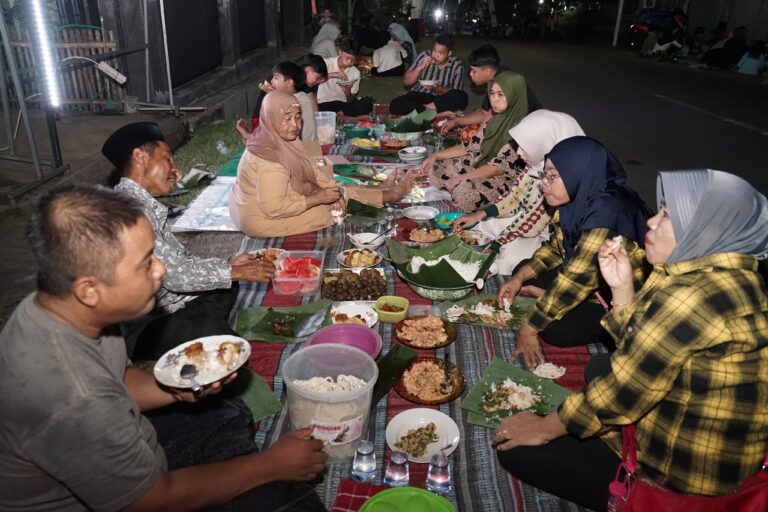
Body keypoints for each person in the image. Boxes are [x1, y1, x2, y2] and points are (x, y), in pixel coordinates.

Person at [0, 183, 328, 511]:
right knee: (295, 501)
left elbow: (116, 377)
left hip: (130, 438)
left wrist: (176, 390)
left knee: (228, 410)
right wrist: (271, 466)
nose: (161, 270)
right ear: (90, 290)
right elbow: (152, 501)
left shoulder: (59, 306)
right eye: (146, 263)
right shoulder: (75, 396)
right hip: (145, 498)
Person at [494, 170, 768, 512]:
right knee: (599, 366)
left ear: (704, 229)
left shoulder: (691, 298)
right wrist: (622, 289)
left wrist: (541, 428)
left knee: (519, 450)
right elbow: (644, 346)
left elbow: (620, 394)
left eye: (667, 216)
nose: (651, 221)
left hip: (682, 473)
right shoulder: (733, 276)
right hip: (718, 444)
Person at [102, 122, 275, 359]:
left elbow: (180, 260)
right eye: (168, 159)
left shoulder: (142, 202)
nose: (175, 169)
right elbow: (172, 275)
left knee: (225, 286)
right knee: (218, 336)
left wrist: (231, 263)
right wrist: (235, 271)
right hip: (150, 325)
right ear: (140, 158)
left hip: (176, 304)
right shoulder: (129, 211)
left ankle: (210, 326)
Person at [497, 136, 653, 367]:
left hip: (621, 296)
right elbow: (556, 250)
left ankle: (573, 304)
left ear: (577, 174)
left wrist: (528, 328)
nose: (544, 184)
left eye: (553, 177)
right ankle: (556, 300)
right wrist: (519, 278)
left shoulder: (606, 218)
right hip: (590, 272)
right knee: (522, 270)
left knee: (556, 331)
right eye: (544, 175)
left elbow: (576, 279)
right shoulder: (577, 198)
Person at [230, 91, 415, 237]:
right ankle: (390, 194)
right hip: (263, 219)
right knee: (329, 209)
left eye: (297, 117)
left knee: (337, 190)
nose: (295, 124)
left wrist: (331, 191)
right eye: (287, 118)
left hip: (265, 203)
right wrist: (321, 198)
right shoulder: (270, 160)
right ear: (271, 117)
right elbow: (274, 208)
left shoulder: (276, 138)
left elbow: (311, 168)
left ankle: (381, 190)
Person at [453, 110, 585, 275]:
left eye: (525, 147)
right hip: (527, 219)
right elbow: (514, 196)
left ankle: (492, 265)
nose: (519, 152)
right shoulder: (537, 163)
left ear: (545, 144)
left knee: (512, 257)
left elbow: (535, 222)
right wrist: (479, 215)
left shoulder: (558, 178)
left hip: (548, 236)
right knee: (486, 224)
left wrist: (496, 245)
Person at [422, 71, 528, 213]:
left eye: (501, 95)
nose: (494, 100)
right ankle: (454, 190)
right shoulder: (494, 116)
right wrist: (436, 156)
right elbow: (471, 146)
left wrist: (460, 178)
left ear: (514, 95)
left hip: (501, 177)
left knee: (464, 194)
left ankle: (457, 193)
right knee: (436, 167)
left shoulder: (521, 127)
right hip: (478, 164)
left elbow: (497, 168)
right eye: (492, 93)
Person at [440, 44, 541, 134]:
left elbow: (484, 115)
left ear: (488, 71)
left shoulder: (501, 84)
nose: (470, 74)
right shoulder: (498, 75)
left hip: (528, 127)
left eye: (474, 71)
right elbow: (484, 111)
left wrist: (458, 122)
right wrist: (456, 121)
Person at [390, 33, 468, 116]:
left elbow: (455, 92)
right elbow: (407, 82)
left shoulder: (457, 66)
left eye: (441, 53)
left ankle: (422, 111)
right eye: (434, 50)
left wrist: (437, 88)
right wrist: (420, 67)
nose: (435, 55)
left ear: (449, 53)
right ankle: (435, 113)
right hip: (418, 95)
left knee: (462, 97)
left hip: (439, 100)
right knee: (395, 105)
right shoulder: (425, 56)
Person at [251, 62, 317, 140]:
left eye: (276, 78)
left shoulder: (296, 102)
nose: (271, 81)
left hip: (303, 150)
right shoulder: (303, 96)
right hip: (311, 148)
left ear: (289, 83)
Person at [317, 40, 373, 118]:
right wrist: (330, 75)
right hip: (324, 102)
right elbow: (313, 83)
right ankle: (340, 116)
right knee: (319, 108)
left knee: (366, 105)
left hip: (342, 104)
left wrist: (347, 92)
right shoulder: (326, 64)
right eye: (347, 58)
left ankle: (338, 115)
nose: (349, 62)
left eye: (353, 60)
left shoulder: (355, 72)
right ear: (340, 52)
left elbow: (350, 100)